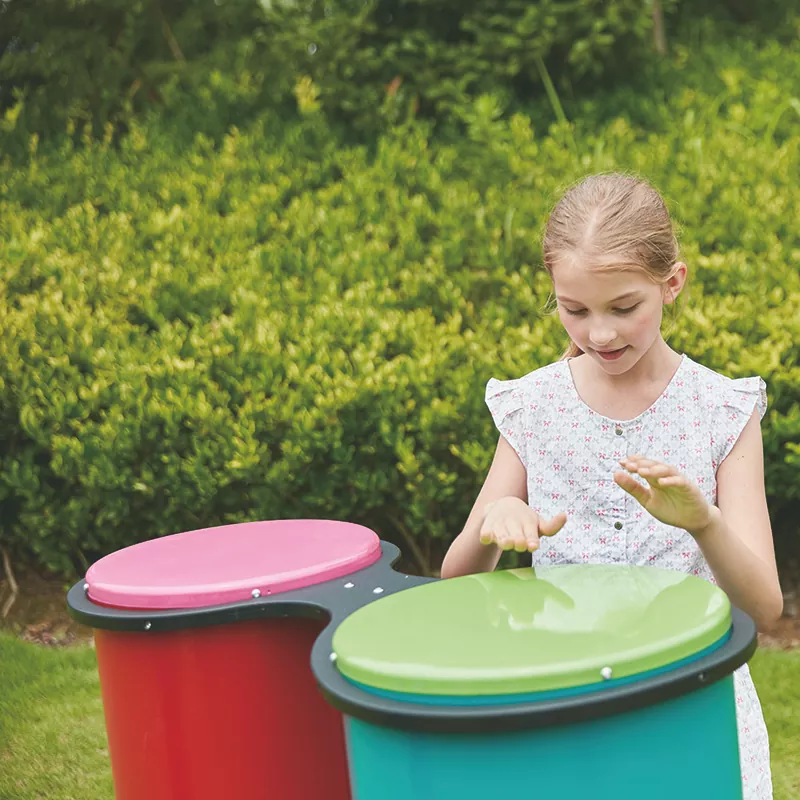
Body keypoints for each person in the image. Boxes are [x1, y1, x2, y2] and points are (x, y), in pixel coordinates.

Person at [441, 173, 783, 800]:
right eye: (575, 310)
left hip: (695, 704)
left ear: (671, 284)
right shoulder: (533, 407)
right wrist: (499, 520)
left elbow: (764, 606)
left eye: (624, 308)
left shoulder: (723, 411)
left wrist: (703, 522)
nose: (599, 334)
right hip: (570, 710)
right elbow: (455, 580)